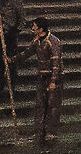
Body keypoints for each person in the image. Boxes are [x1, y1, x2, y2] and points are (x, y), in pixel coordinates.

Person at [25, 18, 64, 146]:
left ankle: (51, 132)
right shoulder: (36, 41)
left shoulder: (53, 41)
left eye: (34, 26)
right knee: (40, 105)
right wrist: (11, 59)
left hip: (53, 77)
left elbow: (55, 63)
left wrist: (53, 81)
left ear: (40, 28)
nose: (33, 27)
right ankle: (39, 131)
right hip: (42, 76)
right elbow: (27, 53)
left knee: (52, 106)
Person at [0, 0, 27, 86]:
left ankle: (12, 84)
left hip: (10, 35)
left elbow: (22, 19)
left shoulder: (16, 2)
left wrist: (15, 32)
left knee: (11, 60)